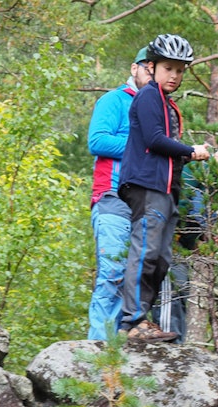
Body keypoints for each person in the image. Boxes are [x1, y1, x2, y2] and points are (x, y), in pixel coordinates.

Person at [117, 33, 211, 343]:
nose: (174, 75)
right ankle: (132, 321)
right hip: (146, 185)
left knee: (161, 259)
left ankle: (142, 321)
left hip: (166, 189)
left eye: (180, 70)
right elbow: (155, 140)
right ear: (152, 66)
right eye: (168, 68)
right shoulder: (148, 96)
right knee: (145, 251)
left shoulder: (167, 104)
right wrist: (190, 149)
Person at [154, 133, 218, 342]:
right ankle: (168, 350)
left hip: (181, 250)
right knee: (171, 295)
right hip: (165, 243)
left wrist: (205, 235)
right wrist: (194, 230)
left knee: (180, 295)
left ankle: (176, 348)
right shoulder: (195, 166)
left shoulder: (217, 186)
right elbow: (179, 204)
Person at [86, 47, 153, 340]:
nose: (151, 74)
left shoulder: (163, 109)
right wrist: (146, 146)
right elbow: (97, 141)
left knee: (140, 278)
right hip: (112, 196)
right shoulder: (114, 100)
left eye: (157, 69)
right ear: (134, 67)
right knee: (112, 275)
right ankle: (98, 351)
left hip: (149, 203)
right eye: (147, 67)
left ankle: (125, 352)